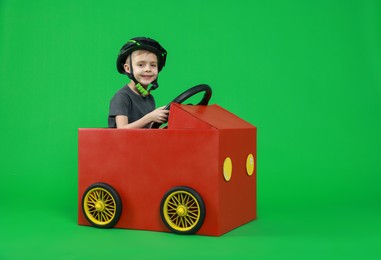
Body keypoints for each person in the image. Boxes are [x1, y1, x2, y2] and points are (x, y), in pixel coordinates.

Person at [108, 37, 169, 128]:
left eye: (153, 65)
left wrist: (159, 117)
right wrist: (150, 117)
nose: (148, 69)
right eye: (141, 65)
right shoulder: (122, 97)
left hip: (141, 142)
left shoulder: (149, 98)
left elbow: (146, 128)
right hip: (121, 142)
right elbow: (121, 130)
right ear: (128, 68)